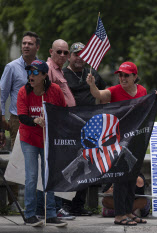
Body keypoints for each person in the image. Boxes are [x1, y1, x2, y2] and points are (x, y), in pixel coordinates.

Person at [87, 61, 157, 226]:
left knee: (131, 177)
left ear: (135, 77)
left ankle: (128, 212)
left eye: (126, 75)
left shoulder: (142, 91)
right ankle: (119, 215)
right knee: (120, 178)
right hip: (118, 142)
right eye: (120, 75)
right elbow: (99, 95)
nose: (122, 78)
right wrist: (92, 85)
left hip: (135, 142)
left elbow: (148, 111)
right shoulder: (114, 91)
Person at [17, 59, 67, 227]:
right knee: (31, 177)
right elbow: (22, 117)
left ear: (45, 75)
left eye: (35, 72)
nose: (31, 75)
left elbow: (63, 111)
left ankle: (51, 213)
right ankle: (30, 214)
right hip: (29, 138)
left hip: (47, 139)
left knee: (48, 176)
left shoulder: (55, 90)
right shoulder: (23, 92)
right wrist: (36, 120)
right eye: (29, 72)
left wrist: (52, 119)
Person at [61, 42, 106, 216]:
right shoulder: (63, 74)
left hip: (89, 129)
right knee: (69, 166)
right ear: (70, 56)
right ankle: (65, 205)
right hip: (68, 128)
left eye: (83, 54)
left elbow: (105, 94)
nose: (80, 57)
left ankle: (79, 206)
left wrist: (102, 112)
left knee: (85, 166)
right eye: (76, 54)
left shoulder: (92, 73)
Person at [36, 39, 75, 221]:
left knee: (58, 168)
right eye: (58, 52)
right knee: (50, 169)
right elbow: (43, 98)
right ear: (51, 51)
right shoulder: (47, 69)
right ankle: (49, 209)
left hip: (61, 126)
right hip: (51, 127)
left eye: (65, 53)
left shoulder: (59, 70)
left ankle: (54, 208)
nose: (62, 55)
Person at [0, 31, 40, 209]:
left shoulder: (43, 66)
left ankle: (39, 202)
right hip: (18, 119)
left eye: (30, 43)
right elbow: (2, 94)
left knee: (38, 159)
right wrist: (1, 119)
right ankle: (13, 201)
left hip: (39, 119)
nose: (25, 46)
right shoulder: (12, 67)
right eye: (24, 43)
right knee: (17, 159)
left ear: (37, 47)